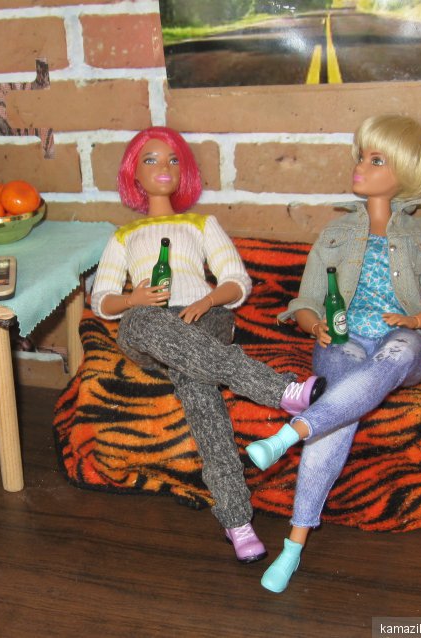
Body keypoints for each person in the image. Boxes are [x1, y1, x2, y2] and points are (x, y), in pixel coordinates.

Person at [245, 114, 421, 592]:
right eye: (361, 156)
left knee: (398, 351)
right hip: (343, 341)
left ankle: (290, 433)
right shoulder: (336, 232)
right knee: (339, 410)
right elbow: (304, 300)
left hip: (402, 345)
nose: (361, 166)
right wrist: (315, 325)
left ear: (405, 171)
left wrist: (415, 321)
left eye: (376, 159)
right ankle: (293, 548)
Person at [91, 127, 326, 563]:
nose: (163, 167)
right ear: (133, 174)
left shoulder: (201, 224)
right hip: (149, 325)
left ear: (184, 171)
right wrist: (133, 299)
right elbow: (101, 299)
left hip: (206, 318)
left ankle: (237, 520)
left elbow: (237, 280)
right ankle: (280, 389)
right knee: (138, 322)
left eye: (173, 160)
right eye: (150, 160)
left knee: (198, 390)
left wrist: (208, 299)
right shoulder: (123, 236)